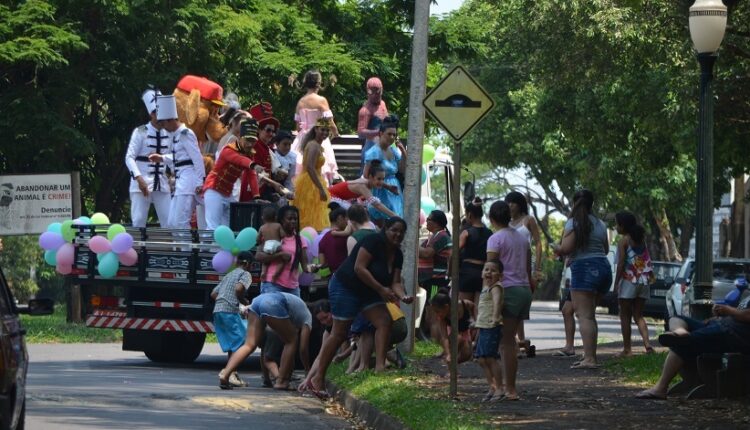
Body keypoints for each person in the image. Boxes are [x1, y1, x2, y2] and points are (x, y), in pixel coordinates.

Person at [299, 217, 413, 399]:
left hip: (369, 291)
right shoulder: (373, 241)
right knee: (339, 333)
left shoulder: (397, 254)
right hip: (347, 286)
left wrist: (403, 296)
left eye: (401, 232)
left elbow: (396, 282)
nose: (397, 234)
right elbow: (360, 268)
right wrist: (381, 289)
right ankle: (318, 378)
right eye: (394, 230)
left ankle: (380, 367)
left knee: (384, 321)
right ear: (386, 229)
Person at [636, 302, 750, 400]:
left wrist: (729, 310)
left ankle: (660, 388)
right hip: (722, 324)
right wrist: (719, 316)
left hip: (733, 334)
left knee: (683, 343)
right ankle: (680, 331)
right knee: (676, 318)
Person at [552, 189, 612, 369]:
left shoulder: (574, 222)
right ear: (591, 203)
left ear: (574, 203)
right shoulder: (601, 224)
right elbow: (606, 249)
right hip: (603, 268)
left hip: (584, 269)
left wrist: (557, 248)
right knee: (590, 316)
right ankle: (589, 356)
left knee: (584, 316)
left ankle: (590, 359)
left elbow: (566, 248)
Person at [219, 291, 312, 391]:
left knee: (249, 345)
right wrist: (308, 369)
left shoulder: (296, 309)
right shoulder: (308, 317)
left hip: (257, 301)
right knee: (292, 341)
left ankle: (225, 374)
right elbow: (303, 348)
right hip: (272, 303)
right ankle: (281, 382)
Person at [486, 200, 531, 401]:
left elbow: (492, 270)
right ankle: (506, 386)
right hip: (523, 290)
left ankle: (510, 389)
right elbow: (528, 268)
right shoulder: (522, 238)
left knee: (506, 343)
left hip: (509, 290)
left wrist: (488, 294)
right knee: (509, 340)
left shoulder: (495, 239)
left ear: (492, 219)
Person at [147, 95, 205, 229]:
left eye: (164, 124)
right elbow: (179, 159)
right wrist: (161, 158)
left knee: (181, 222)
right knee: (172, 223)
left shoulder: (186, 133)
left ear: (171, 120)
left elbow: (196, 158)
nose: (164, 127)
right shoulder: (176, 136)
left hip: (188, 182)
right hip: (180, 182)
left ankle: (187, 250)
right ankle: (184, 249)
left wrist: (199, 181)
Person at [202, 119, 261, 229]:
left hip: (228, 193)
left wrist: (256, 196)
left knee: (228, 228)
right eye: (247, 140)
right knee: (212, 226)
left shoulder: (249, 155)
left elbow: (251, 175)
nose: (250, 144)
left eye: (253, 141)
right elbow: (238, 159)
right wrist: (253, 165)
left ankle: (224, 247)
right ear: (240, 137)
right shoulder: (228, 149)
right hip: (214, 189)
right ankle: (206, 247)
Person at [125, 89, 171, 227]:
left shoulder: (169, 133)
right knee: (138, 221)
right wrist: (139, 179)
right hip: (141, 183)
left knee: (170, 221)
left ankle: (173, 249)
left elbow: (173, 156)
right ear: (151, 114)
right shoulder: (140, 131)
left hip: (161, 183)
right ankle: (137, 249)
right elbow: (129, 157)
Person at [505, 191, 542, 357]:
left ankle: (520, 341)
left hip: (526, 265)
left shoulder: (529, 220)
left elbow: (538, 242)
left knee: (521, 305)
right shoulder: (506, 223)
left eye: (513, 202)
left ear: (520, 204)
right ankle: (519, 342)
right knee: (512, 305)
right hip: (509, 266)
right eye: (508, 203)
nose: (510, 206)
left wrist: (538, 267)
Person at [613, 211, 655, 356]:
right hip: (643, 281)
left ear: (622, 226)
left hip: (629, 281)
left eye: (617, 224)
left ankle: (627, 349)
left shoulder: (624, 241)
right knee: (638, 315)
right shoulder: (641, 239)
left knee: (624, 315)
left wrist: (616, 283)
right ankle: (648, 345)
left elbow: (621, 264)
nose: (615, 227)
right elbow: (646, 260)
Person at [211, 251, 253, 388]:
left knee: (234, 342)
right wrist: (244, 302)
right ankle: (228, 373)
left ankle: (231, 374)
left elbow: (213, 294)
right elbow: (239, 289)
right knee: (243, 343)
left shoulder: (229, 275)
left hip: (218, 310)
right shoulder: (245, 274)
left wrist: (224, 300)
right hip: (230, 310)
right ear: (247, 264)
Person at [291, 70, 339, 185]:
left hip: (303, 138)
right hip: (319, 135)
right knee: (320, 165)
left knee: (302, 166)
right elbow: (329, 121)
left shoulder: (300, 102)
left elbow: (298, 127)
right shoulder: (321, 100)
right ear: (318, 83)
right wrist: (336, 133)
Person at [255, 205, 309, 297]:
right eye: (289, 218)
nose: (293, 221)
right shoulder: (271, 237)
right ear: (281, 220)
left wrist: (315, 267)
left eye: (295, 219)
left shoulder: (300, 240)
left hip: (293, 288)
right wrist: (280, 255)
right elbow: (258, 256)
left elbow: (305, 266)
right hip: (272, 285)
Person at [363, 115, 406, 223]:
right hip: (381, 190)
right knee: (386, 222)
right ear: (381, 133)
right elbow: (366, 176)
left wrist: (403, 152)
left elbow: (401, 170)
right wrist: (387, 186)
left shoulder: (393, 150)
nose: (392, 137)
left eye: (394, 135)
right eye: (389, 134)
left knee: (397, 220)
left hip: (395, 189)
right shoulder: (373, 152)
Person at [293, 117, 332, 231]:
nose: (325, 133)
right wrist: (320, 188)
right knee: (311, 212)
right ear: (316, 129)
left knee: (315, 211)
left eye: (327, 130)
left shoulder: (315, 145)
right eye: (322, 130)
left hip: (313, 180)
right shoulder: (314, 145)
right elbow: (310, 167)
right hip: (311, 182)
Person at [475, 260, 505, 402]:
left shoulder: (496, 288)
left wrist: (495, 317)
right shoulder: (485, 288)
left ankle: (500, 388)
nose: (488, 272)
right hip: (483, 326)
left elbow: (497, 302)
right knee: (481, 359)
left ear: (500, 275)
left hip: (492, 326)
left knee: (490, 358)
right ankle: (492, 386)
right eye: (486, 269)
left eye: (493, 270)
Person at [328, 160, 398, 219]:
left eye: (383, 179)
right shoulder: (362, 186)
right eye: (379, 179)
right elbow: (377, 205)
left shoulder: (370, 183)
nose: (381, 182)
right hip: (331, 196)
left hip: (343, 198)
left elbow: (380, 183)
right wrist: (394, 215)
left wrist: (389, 187)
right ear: (370, 177)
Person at [458, 201, 492, 317]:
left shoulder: (466, 233)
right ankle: (477, 334)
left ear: (469, 215)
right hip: (482, 273)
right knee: (478, 310)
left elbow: (454, 253)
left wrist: (450, 270)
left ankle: (464, 334)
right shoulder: (490, 233)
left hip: (467, 272)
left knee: (463, 308)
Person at [430, 289, 475, 364]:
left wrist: (473, 317)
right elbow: (444, 337)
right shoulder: (443, 319)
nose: (437, 315)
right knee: (457, 339)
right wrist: (448, 354)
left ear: (446, 307)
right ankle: (451, 370)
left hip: (465, 330)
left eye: (438, 311)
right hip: (454, 333)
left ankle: (454, 364)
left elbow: (473, 306)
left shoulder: (464, 304)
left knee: (467, 355)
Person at [247, 102, 280, 201]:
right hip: (253, 193)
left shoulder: (264, 147)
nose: (272, 134)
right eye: (268, 130)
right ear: (258, 130)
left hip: (262, 191)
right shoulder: (255, 146)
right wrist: (274, 185)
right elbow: (256, 173)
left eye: (273, 131)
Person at [357, 77, 388, 174]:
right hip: (372, 149)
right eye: (372, 93)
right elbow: (361, 132)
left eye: (377, 93)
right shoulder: (365, 110)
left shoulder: (383, 104)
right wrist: (378, 132)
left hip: (385, 147)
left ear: (381, 91)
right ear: (368, 92)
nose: (375, 96)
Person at [419, 210, 452, 299]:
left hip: (436, 281)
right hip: (432, 280)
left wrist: (412, 245)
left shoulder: (441, 236)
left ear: (436, 223)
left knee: (433, 305)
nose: (426, 221)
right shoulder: (436, 235)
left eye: (429, 219)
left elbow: (427, 254)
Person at [316, 203, 349, 277]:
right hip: (347, 277)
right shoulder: (347, 236)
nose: (348, 223)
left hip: (333, 277)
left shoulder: (323, 240)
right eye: (347, 219)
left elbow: (322, 264)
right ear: (340, 218)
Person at [553, 263, 577, 357]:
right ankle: (569, 347)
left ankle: (590, 356)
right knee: (567, 310)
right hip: (582, 273)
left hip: (585, 273)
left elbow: (566, 253)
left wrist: (560, 250)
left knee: (585, 313)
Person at [271, 130, 298, 203]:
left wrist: (288, 192)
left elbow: (290, 179)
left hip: (284, 189)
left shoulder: (293, 157)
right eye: (285, 144)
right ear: (277, 144)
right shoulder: (272, 155)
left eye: (289, 145)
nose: (287, 147)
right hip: (271, 189)